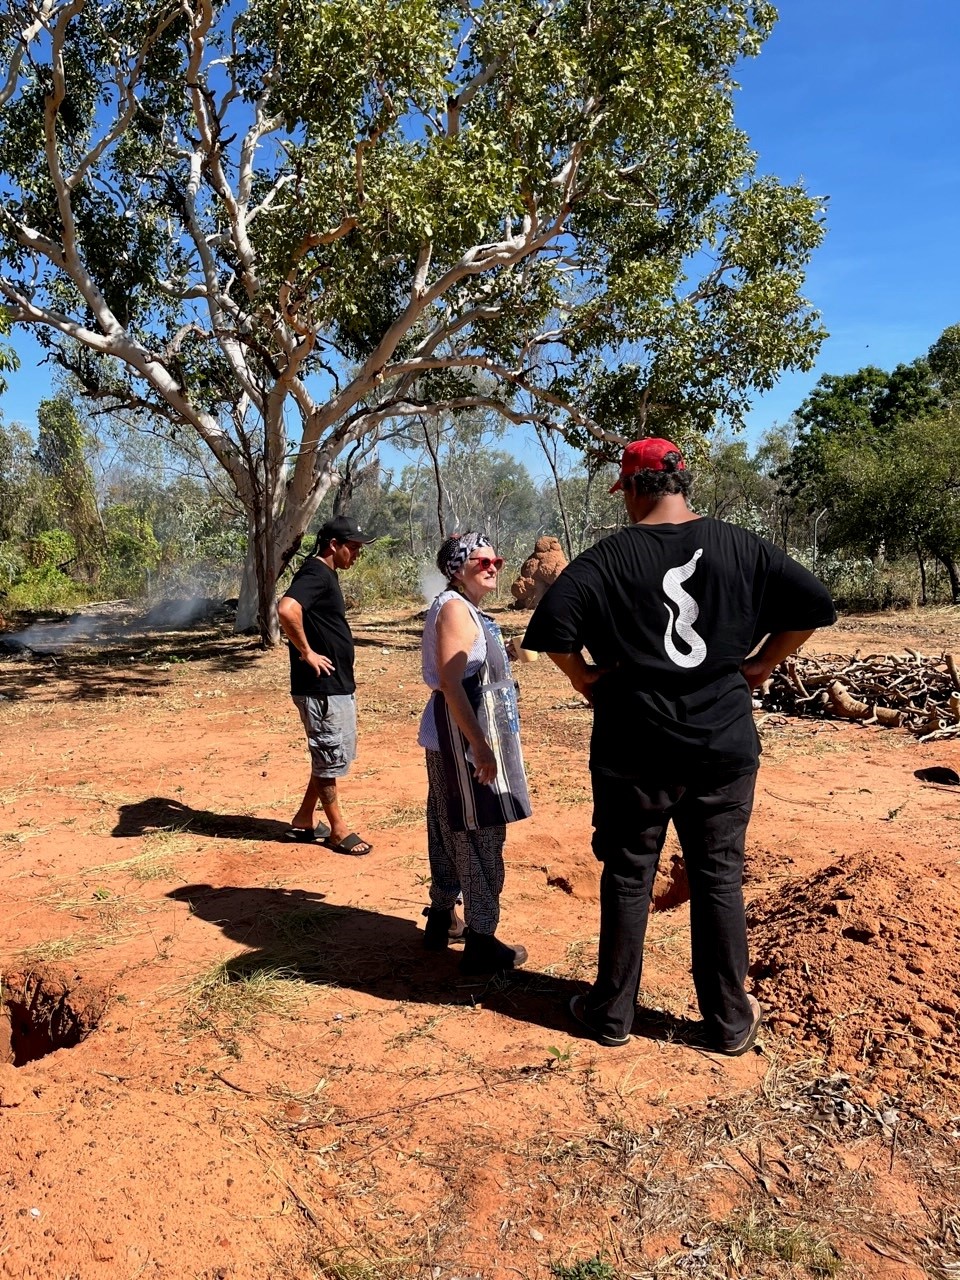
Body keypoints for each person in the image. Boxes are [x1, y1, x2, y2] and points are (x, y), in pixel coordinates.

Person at [522, 438, 836, 1052]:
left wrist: (583, 677)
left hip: (634, 744)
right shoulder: (741, 545)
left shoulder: (608, 558)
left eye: (626, 494)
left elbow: (550, 626)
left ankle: (611, 1013)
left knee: (629, 874)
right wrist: (765, 661)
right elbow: (816, 604)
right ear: (682, 482)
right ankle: (727, 1022)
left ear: (636, 488)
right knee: (719, 876)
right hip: (722, 742)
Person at [418, 532, 532, 974]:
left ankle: (444, 916)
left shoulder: (466, 609)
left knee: (449, 826)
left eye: (498, 561)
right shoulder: (452, 609)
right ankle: (482, 939)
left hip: (458, 741)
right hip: (461, 744)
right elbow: (450, 683)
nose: (493, 567)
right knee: (478, 833)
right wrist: (480, 747)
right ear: (457, 568)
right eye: (482, 560)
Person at [278, 514, 375, 857]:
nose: (357, 554)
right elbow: (287, 609)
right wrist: (307, 653)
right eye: (353, 547)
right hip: (321, 688)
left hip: (333, 685)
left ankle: (305, 819)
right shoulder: (316, 572)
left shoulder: (324, 573)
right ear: (333, 545)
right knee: (327, 754)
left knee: (328, 756)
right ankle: (338, 829)